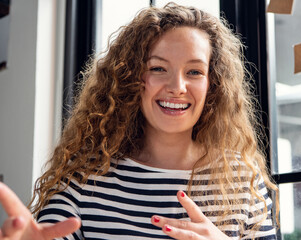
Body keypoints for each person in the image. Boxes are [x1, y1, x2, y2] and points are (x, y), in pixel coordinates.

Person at [0, 2, 279, 240]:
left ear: (213, 85)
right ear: (132, 80)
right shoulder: (85, 179)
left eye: (194, 71)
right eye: (158, 68)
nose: (177, 86)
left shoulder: (244, 180)